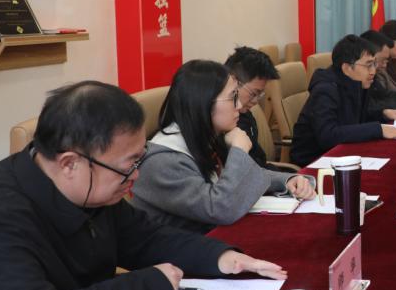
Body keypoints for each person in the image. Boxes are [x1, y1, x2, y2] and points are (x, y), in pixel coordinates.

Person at [0, 81, 287, 290]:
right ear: (69, 163)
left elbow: (144, 237)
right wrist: (149, 285)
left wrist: (220, 257)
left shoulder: (88, 187)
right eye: (128, 165)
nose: (135, 177)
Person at [130, 60, 315, 233]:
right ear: (203, 103)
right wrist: (239, 151)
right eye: (232, 97)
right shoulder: (163, 161)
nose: (240, 105)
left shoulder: (205, 136)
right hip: (177, 252)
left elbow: (237, 178)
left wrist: (286, 181)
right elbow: (220, 208)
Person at [290, 34, 396, 167]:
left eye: (374, 64)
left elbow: (357, 117)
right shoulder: (325, 90)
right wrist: (378, 129)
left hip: (343, 154)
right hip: (314, 161)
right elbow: (328, 135)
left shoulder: (357, 82)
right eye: (368, 65)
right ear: (347, 68)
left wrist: (384, 113)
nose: (373, 71)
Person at [224, 46, 280, 168]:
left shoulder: (246, 115)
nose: (255, 101)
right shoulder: (225, 124)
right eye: (254, 94)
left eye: (260, 95)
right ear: (233, 83)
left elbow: (258, 162)